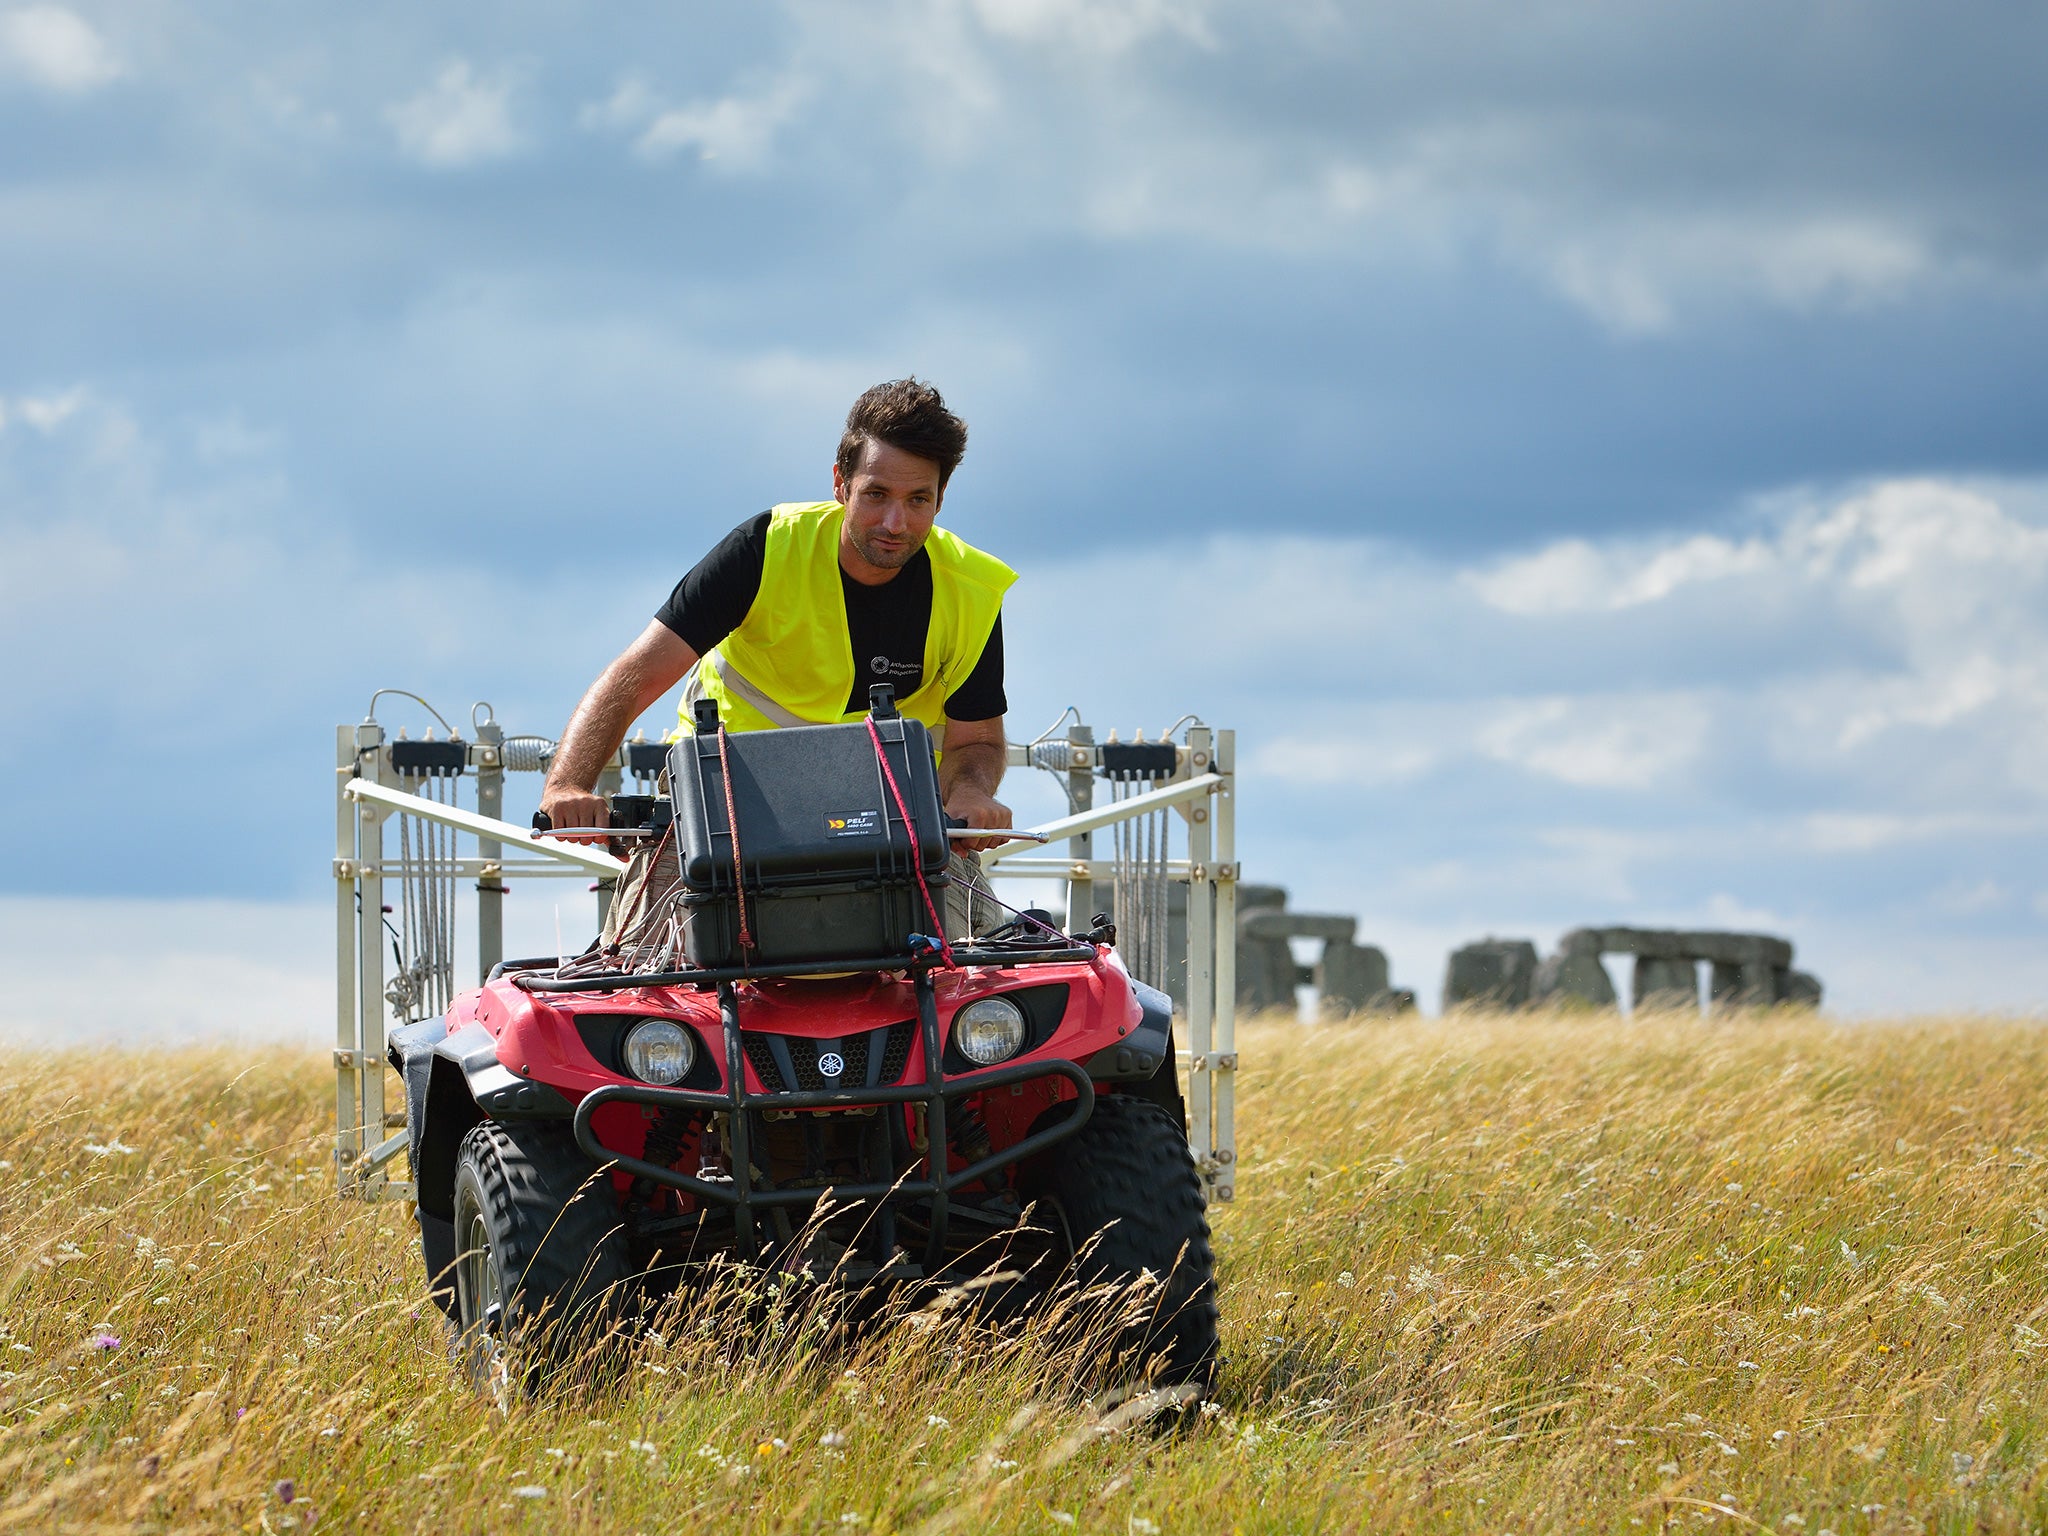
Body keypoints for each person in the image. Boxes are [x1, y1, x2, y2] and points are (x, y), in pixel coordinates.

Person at [537, 378, 1014, 940]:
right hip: (725, 801)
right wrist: (567, 786)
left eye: (918, 501)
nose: (895, 524)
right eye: (876, 494)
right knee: (637, 973)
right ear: (841, 484)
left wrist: (972, 793)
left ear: (940, 499)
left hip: (895, 813)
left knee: (977, 969)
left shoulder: (972, 589)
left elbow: (976, 739)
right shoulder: (765, 549)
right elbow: (637, 674)